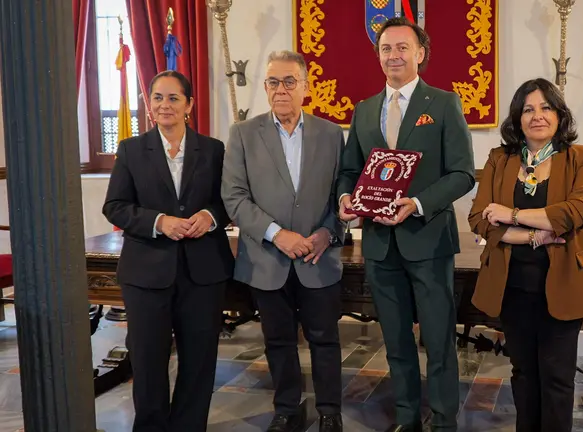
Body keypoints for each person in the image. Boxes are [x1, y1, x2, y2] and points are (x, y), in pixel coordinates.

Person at [336, 17, 475, 432]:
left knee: (438, 343)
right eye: (386, 48)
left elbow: (462, 173)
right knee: (395, 343)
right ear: (377, 56)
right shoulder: (363, 110)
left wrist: (416, 203)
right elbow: (349, 171)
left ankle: (445, 422)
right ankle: (407, 418)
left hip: (428, 242)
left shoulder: (445, 103)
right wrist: (346, 198)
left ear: (420, 54)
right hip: (379, 245)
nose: (393, 55)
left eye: (402, 47)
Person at [467, 78, 583, 432]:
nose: (537, 115)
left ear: (560, 115)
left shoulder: (580, 157)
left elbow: (577, 211)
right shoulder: (500, 159)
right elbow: (478, 217)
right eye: (528, 109)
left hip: (563, 282)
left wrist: (510, 214)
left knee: (558, 378)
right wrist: (534, 234)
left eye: (546, 107)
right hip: (512, 285)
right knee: (523, 373)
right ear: (517, 118)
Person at [102, 70, 234, 432]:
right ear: (149, 105)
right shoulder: (131, 149)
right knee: (147, 362)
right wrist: (160, 221)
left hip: (203, 271)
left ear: (189, 105)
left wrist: (209, 216)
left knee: (199, 361)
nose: (164, 105)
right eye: (157, 98)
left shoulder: (212, 149)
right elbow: (115, 206)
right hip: (146, 273)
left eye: (174, 98)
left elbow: (229, 202)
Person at [221, 50, 345, 432]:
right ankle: (287, 408)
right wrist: (279, 235)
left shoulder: (331, 133)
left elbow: (341, 189)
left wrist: (328, 232)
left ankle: (329, 412)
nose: (280, 90)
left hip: (317, 257)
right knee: (277, 341)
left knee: (325, 340)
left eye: (289, 81)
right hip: (267, 259)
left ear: (306, 88)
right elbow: (234, 196)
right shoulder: (243, 134)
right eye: (273, 82)